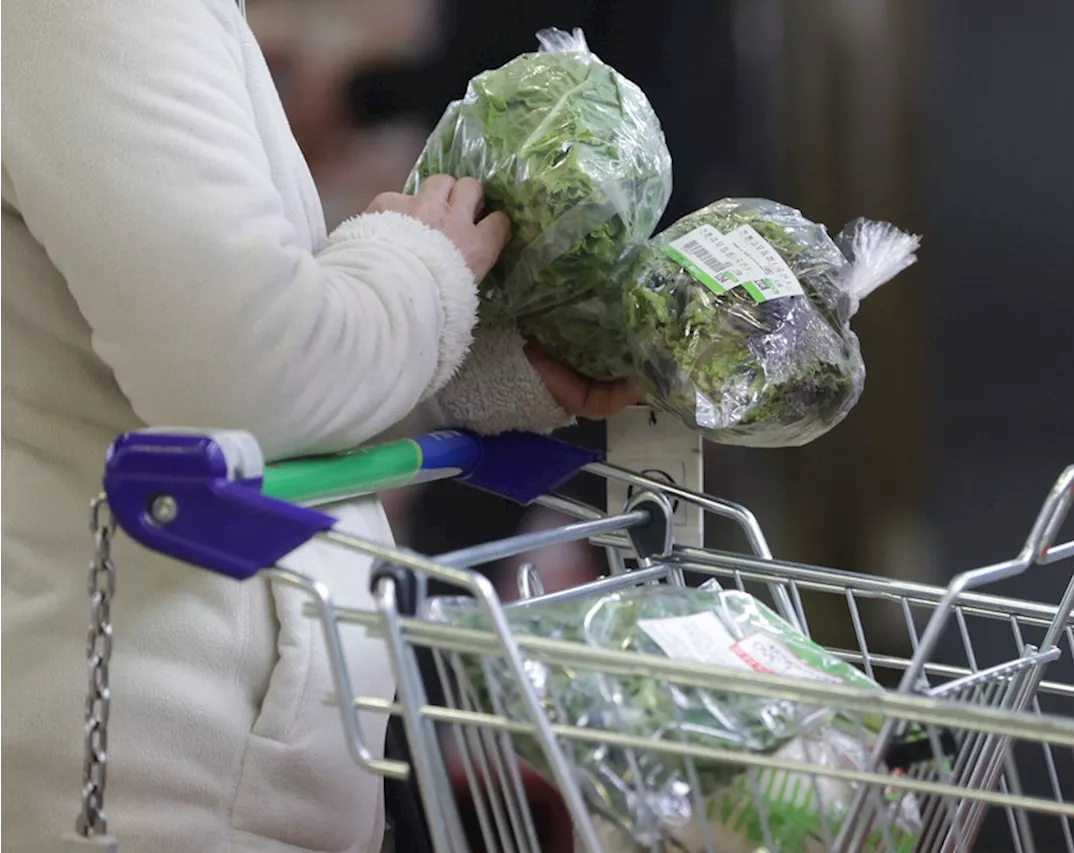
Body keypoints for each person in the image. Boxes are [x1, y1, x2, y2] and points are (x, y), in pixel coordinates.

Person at [0, 1, 639, 852]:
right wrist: (420, 265)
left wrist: (468, 364)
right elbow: (246, 369)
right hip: (144, 773)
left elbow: (159, 351)